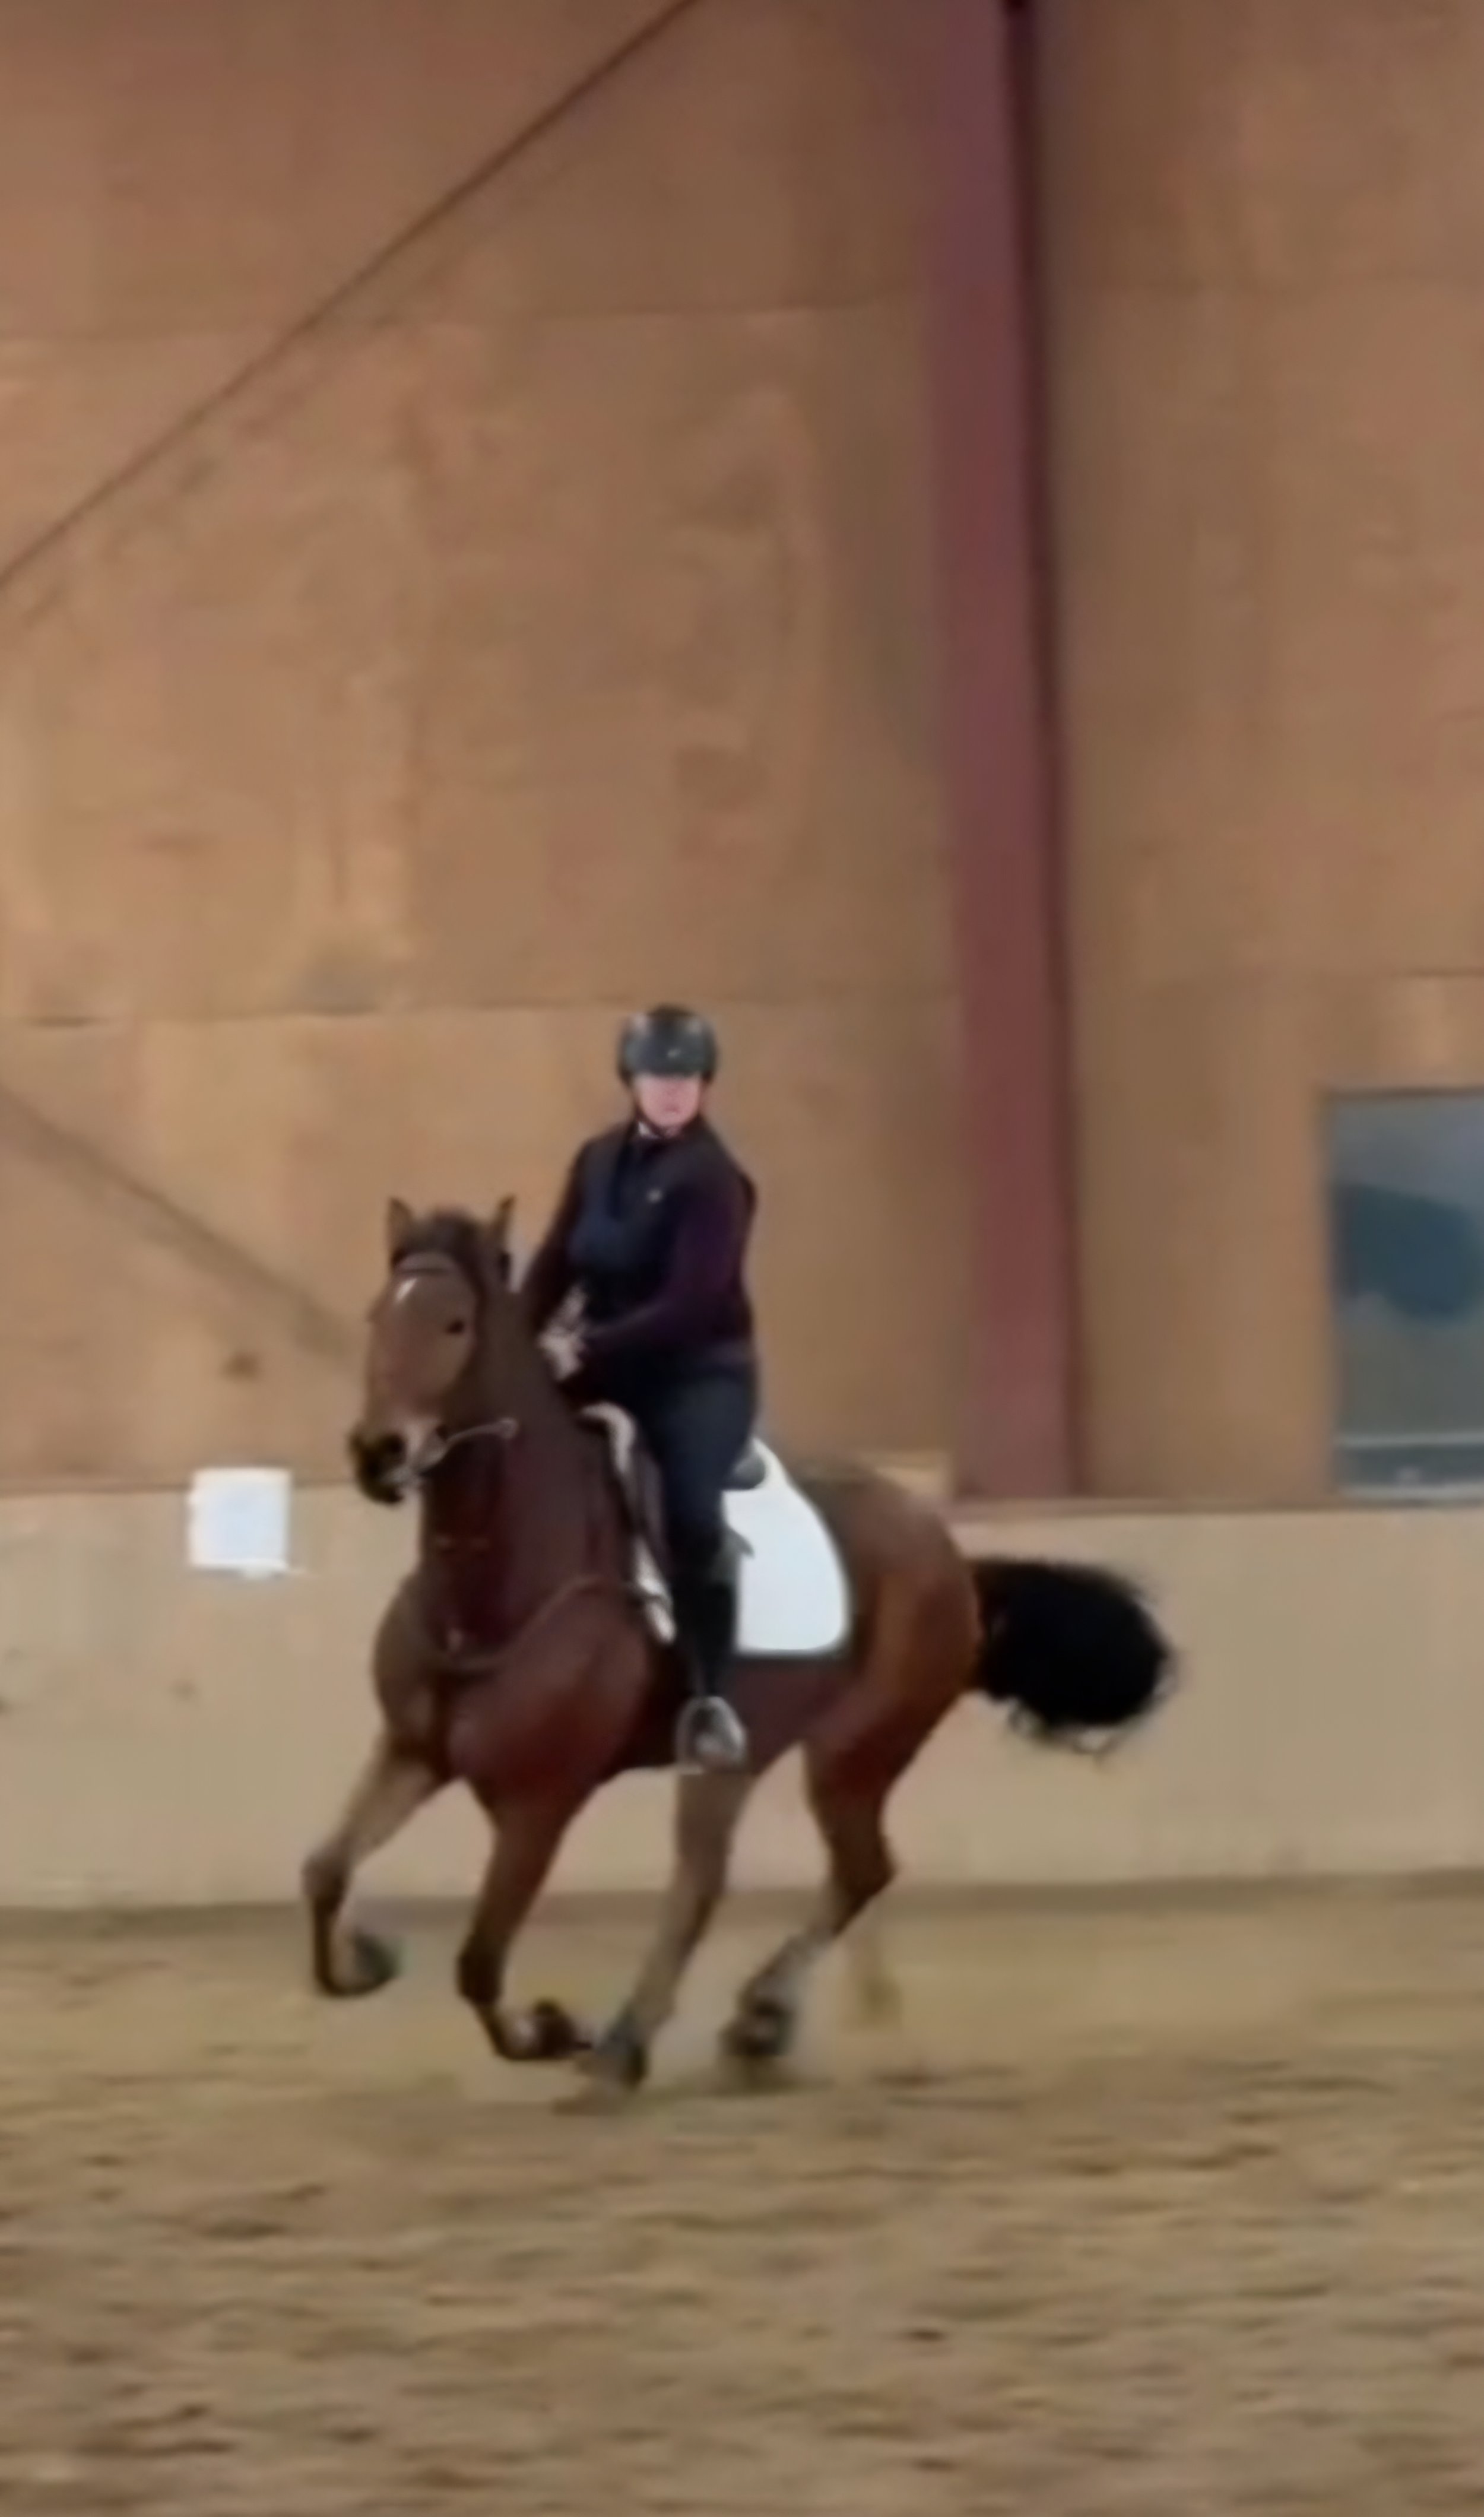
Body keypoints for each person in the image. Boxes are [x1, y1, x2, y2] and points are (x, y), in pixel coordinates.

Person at [519, 1004, 759, 1773]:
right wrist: (514, 1345)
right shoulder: (596, 1162)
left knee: (689, 1509)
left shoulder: (715, 1181)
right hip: (605, 1364)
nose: (672, 1091)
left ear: (703, 1085)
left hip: (698, 1376)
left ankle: (710, 1697)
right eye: (659, 1076)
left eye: (686, 1078)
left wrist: (584, 1347)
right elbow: (557, 1260)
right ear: (633, 1080)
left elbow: (688, 1305)